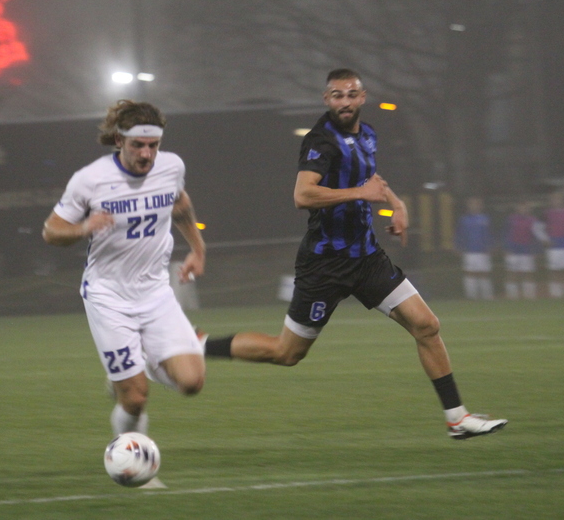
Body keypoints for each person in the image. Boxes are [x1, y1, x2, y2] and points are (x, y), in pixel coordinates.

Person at [203, 68, 507, 440]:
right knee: (286, 353)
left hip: (366, 259)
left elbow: (371, 181)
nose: (344, 102)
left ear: (362, 97)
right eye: (337, 95)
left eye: (351, 94)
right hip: (325, 264)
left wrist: (396, 204)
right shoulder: (320, 141)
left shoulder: (368, 135)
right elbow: (303, 195)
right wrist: (361, 194)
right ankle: (198, 346)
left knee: (427, 325)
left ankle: (457, 419)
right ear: (326, 100)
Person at [42, 100, 207, 484]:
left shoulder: (171, 167)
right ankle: (132, 460)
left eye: (153, 145)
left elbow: (179, 202)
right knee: (134, 398)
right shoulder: (90, 180)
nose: (147, 154)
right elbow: (51, 231)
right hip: (108, 296)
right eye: (138, 145)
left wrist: (198, 249)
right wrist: (83, 227)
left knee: (191, 383)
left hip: (155, 293)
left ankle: (143, 363)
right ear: (119, 140)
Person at [537, 190, 564, 298]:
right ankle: (556, 293)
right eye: (554, 199)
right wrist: (545, 239)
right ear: (551, 201)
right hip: (553, 247)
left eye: (559, 199)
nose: (557, 201)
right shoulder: (546, 213)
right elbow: (537, 228)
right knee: (554, 271)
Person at [454, 196, 494, 300]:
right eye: (472, 204)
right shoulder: (464, 220)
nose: (475, 206)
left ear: (481, 206)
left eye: (477, 204)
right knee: (470, 273)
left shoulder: (485, 219)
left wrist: (491, 246)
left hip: (483, 251)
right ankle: (471, 297)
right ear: (468, 206)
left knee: (484, 273)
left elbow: (489, 234)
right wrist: (458, 247)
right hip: (469, 251)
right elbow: (459, 234)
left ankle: (486, 296)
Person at [502, 200, 541, 300]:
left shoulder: (533, 220)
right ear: (517, 208)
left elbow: (536, 235)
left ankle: (529, 296)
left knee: (528, 273)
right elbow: (506, 234)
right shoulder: (511, 219)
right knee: (511, 273)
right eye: (521, 207)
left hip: (527, 250)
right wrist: (506, 248)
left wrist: (535, 250)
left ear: (528, 209)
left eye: (525, 207)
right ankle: (512, 296)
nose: (523, 209)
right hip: (513, 250)